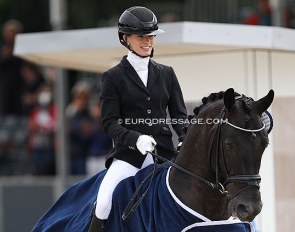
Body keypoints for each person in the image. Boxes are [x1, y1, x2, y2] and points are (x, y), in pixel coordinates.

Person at [88, 6, 188, 232]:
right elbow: (110, 123)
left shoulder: (167, 73)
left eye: (151, 36)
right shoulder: (113, 77)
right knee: (103, 202)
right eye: (142, 36)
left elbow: (179, 116)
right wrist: (136, 139)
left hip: (163, 153)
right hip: (128, 155)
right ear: (125, 38)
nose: (148, 41)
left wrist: (184, 137)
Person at [66, 81, 93, 175]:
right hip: (69, 154)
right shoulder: (69, 112)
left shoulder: (88, 114)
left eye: (85, 98)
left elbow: (90, 130)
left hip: (83, 154)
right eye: (79, 98)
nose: (81, 101)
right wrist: (80, 128)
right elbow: (66, 129)